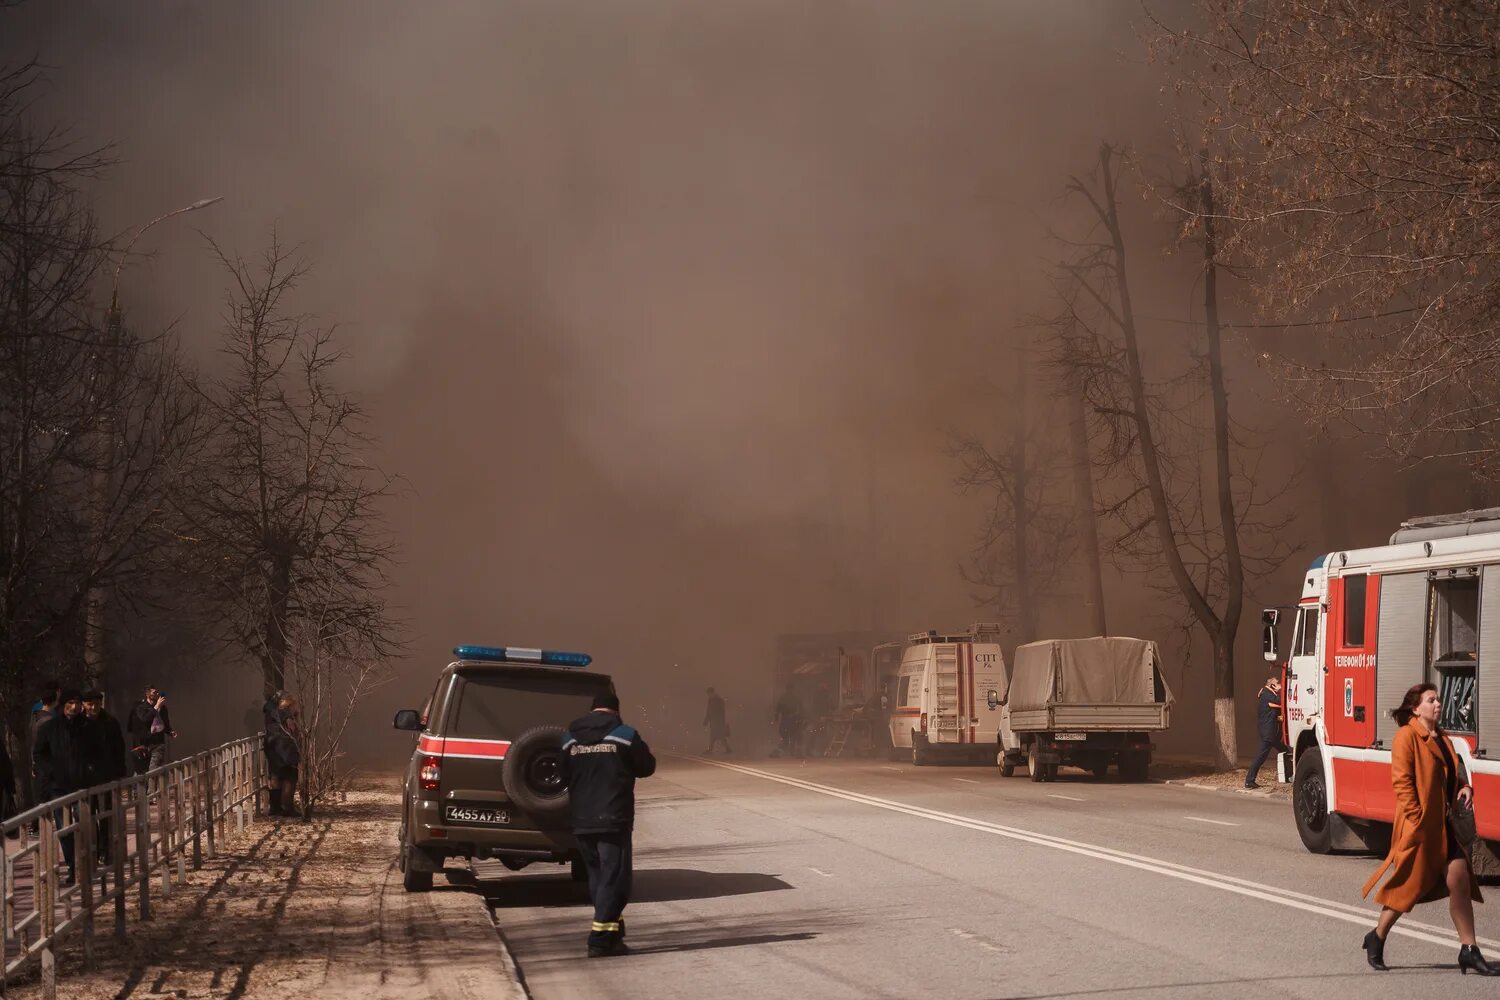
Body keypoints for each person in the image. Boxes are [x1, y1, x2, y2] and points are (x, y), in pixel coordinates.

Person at [1360, 682, 1495, 974]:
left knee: (1458, 879)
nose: (1438, 704)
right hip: (1420, 829)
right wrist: (1418, 818)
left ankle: (1469, 949)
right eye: (1431, 700)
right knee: (1408, 888)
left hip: (1444, 828)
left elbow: (1452, 774)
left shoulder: (1442, 738)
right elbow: (1402, 783)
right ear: (1415, 707)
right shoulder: (1406, 737)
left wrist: (1465, 787)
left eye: (1438, 699)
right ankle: (1377, 936)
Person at [560, 690, 657, 958]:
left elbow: (561, 774)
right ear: (615, 710)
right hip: (613, 818)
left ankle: (614, 935)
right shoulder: (624, 735)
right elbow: (647, 767)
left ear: (593, 710)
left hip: (581, 819)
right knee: (616, 880)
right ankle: (599, 938)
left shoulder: (569, 738)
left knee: (599, 878)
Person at [32, 691, 87, 885]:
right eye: (70, 703)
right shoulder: (49, 728)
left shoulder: (87, 727)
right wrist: (50, 771)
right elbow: (38, 754)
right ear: (63, 705)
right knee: (64, 829)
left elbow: (97, 752)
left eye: (77, 703)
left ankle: (85, 865)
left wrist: (90, 769)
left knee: (84, 825)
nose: (74, 707)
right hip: (57, 786)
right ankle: (74, 867)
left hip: (82, 785)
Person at [80, 691, 127, 862]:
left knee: (106, 814)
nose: (93, 708)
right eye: (90, 704)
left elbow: (119, 747)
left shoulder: (110, 722)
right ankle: (92, 850)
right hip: (85, 778)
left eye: (97, 704)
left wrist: (120, 772)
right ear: (84, 704)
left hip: (106, 775)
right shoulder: (77, 723)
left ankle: (105, 851)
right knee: (88, 816)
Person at [1245, 674, 1291, 789]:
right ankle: (1249, 781)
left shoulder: (1267, 694)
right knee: (1261, 757)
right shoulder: (1267, 695)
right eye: (1278, 684)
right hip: (1268, 733)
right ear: (1272, 685)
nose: (1280, 686)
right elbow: (1280, 701)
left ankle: (1289, 775)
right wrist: (1282, 690)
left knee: (1285, 751)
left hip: (1271, 734)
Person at [264, 695, 301, 818]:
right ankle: (288, 808)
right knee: (290, 778)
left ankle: (275, 808)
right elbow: (293, 729)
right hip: (286, 748)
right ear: (289, 705)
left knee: (275, 778)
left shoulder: (270, 713)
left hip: (273, 748)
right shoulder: (287, 715)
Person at [127, 686, 174, 775]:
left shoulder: (163, 708)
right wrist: (156, 707)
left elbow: (165, 723)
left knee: (153, 772)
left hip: (158, 744)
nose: (157, 694)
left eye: (157, 692)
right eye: (154, 692)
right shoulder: (140, 707)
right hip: (143, 744)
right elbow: (145, 719)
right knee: (140, 772)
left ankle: (151, 789)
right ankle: (138, 788)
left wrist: (170, 731)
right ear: (147, 694)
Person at [773, 686, 804, 759]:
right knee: (796, 736)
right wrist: (801, 717)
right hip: (793, 719)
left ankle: (784, 751)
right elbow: (800, 708)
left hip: (785, 719)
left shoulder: (783, 697)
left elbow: (778, 709)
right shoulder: (795, 697)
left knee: (786, 736)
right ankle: (796, 753)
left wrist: (776, 719)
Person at [702, 687, 731, 755]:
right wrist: (706, 720)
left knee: (715, 736)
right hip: (714, 721)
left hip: (718, 721)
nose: (709, 695)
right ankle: (727, 749)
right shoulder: (711, 700)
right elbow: (709, 711)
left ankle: (711, 750)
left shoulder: (719, 700)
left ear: (712, 693)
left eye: (709, 694)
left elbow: (721, 712)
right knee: (718, 736)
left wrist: (721, 722)